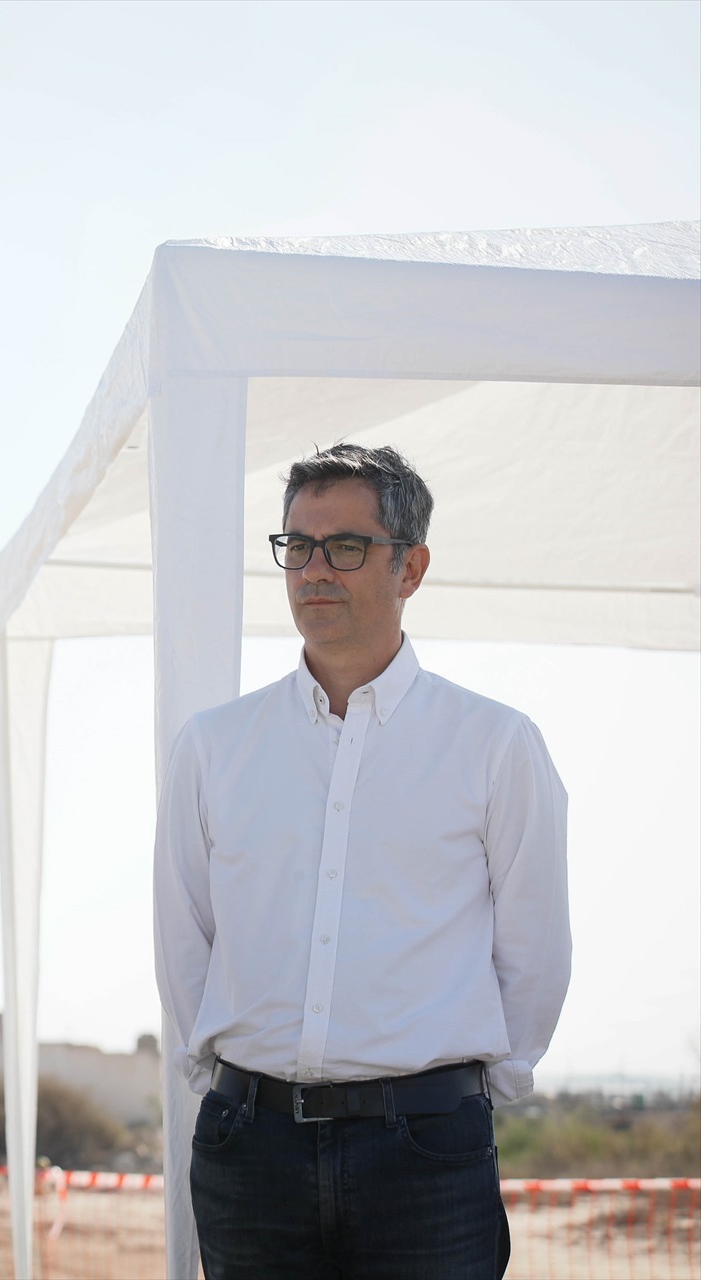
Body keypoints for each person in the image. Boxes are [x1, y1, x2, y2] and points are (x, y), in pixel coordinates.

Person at [154, 444, 571, 1279]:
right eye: (297, 546)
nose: (314, 569)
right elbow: (185, 937)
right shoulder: (214, 746)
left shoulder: (494, 745)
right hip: (250, 1151)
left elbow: (534, 950)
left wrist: (473, 1090)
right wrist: (227, 1081)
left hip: (425, 1154)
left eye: (345, 546)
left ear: (410, 566)